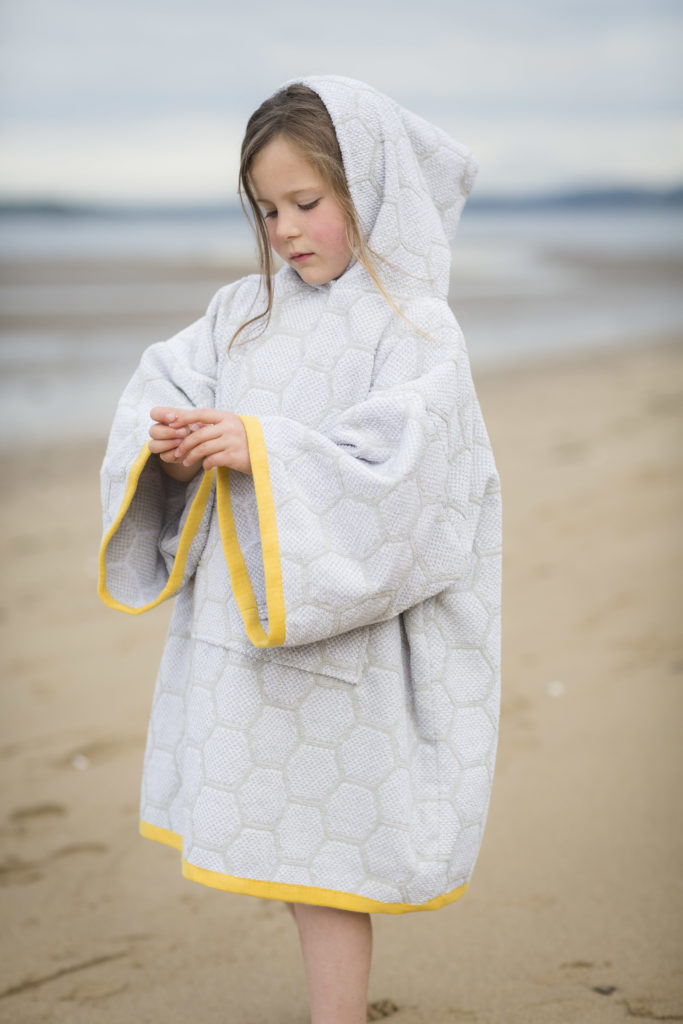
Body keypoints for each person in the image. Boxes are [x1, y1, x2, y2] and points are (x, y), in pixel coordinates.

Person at [98, 75, 502, 1024]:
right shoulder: (242, 309)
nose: (284, 230)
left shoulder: (413, 328)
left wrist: (264, 449)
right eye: (267, 208)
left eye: (307, 204)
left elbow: (410, 477)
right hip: (246, 641)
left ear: (371, 190)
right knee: (285, 847)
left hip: (340, 646)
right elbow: (166, 379)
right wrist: (172, 436)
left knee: (328, 864)